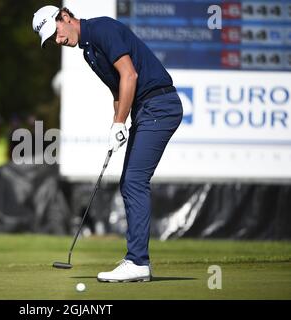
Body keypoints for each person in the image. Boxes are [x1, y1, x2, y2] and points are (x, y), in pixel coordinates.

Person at [32, 6, 183, 282]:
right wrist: (118, 124)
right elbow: (118, 88)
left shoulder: (102, 29)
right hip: (145, 110)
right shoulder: (88, 51)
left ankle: (138, 262)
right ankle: (138, 260)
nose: (57, 40)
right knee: (130, 182)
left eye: (56, 32)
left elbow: (130, 75)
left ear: (65, 17)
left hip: (160, 105)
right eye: (51, 39)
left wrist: (119, 122)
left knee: (134, 181)